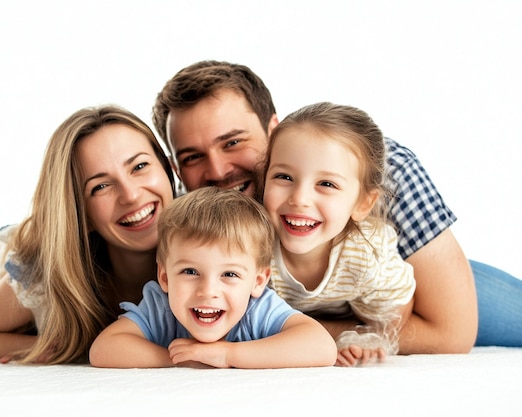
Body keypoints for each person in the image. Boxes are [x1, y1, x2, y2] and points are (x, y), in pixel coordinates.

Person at [152, 59, 522, 353]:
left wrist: (302, 337)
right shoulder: (195, 219)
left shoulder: (379, 172)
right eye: (192, 156)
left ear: (273, 129)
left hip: (401, 281)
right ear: (176, 167)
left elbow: (450, 333)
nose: (217, 170)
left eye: (233, 142)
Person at [0, 104, 176, 364]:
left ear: (167, 170)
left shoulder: (205, 234)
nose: (130, 195)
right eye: (99, 187)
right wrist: (51, 348)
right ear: (81, 216)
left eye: (139, 167)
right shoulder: (45, 267)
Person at [89, 186, 337, 368]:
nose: (207, 291)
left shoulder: (257, 309)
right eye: (190, 271)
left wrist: (229, 355)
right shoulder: (161, 306)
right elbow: (104, 348)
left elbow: (321, 346)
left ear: (258, 282)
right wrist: (182, 357)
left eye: (229, 274)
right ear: (164, 276)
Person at [262, 102, 416, 366]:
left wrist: (367, 338)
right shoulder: (251, 245)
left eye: (326, 184)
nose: (300, 198)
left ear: (363, 203)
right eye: (284, 177)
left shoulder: (368, 254)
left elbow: (395, 307)